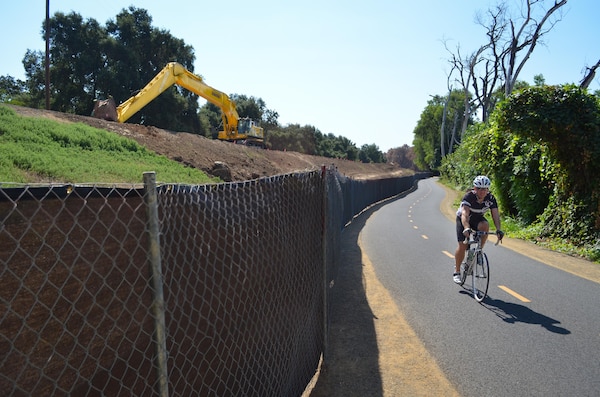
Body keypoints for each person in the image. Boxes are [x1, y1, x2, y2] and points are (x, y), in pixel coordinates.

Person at [453, 175, 504, 283]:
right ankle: (457, 272)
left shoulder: (490, 198)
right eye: (479, 189)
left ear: (487, 190)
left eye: (485, 189)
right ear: (474, 189)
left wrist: (498, 229)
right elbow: (465, 214)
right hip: (463, 219)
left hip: (477, 218)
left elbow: (495, 215)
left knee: (485, 225)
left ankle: (479, 250)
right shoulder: (469, 197)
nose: (482, 192)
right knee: (463, 245)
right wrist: (466, 228)